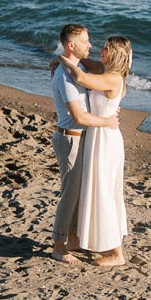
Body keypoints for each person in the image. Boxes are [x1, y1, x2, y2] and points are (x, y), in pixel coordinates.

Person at [59, 35, 132, 269]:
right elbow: (89, 66)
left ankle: (116, 253)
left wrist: (61, 60)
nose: (100, 50)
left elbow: (81, 76)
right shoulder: (106, 71)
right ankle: (92, 240)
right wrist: (73, 61)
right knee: (98, 189)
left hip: (106, 139)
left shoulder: (112, 78)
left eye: (106, 48)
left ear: (115, 54)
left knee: (104, 191)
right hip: (98, 137)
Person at [50, 24, 119, 266]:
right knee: (69, 195)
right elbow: (79, 117)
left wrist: (63, 58)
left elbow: (99, 69)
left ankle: (72, 240)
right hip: (70, 137)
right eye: (85, 41)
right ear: (71, 45)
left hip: (81, 137)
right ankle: (58, 247)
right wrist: (107, 121)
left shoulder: (75, 67)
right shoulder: (66, 75)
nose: (90, 45)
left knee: (79, 193)